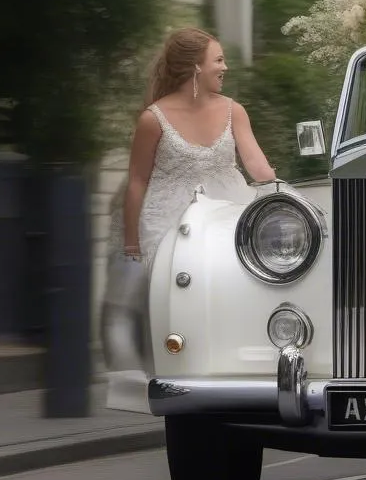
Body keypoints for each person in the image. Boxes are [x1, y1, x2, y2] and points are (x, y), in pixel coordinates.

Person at [103, 28, 276, 405]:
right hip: (167, 220)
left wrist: (279, 193)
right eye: (218, 60)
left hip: (227, 210)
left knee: (239, 283)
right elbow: (136, 182)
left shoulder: (234, 110)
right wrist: (131, 243)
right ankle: (170, 375)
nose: (225, 67)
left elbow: (256, 164)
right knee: (172, 300)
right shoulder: (153, 119)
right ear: (195, 68)